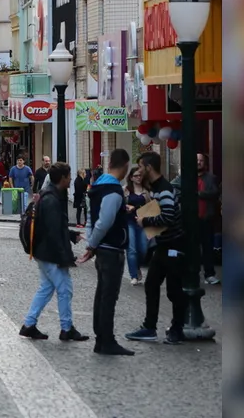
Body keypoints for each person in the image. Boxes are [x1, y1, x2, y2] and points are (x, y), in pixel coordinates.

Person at [19, 162, 89, 342]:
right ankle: (66, 328)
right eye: (69, 175)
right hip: (50, 254)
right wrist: (65, 257)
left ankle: (29, 324)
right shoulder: (52, 199)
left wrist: (72, 235)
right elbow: (53, 232)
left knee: (46, 288)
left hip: (42, 252)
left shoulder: (48, 194)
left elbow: (55, 227)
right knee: (65, 290)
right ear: (63, 178)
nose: (71, 179)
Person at [125, 151, 186, 345]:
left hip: (173, 245)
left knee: (174, 290)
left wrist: (145, 220)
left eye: (141, 167)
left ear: (149, 167)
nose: (139, 170)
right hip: (163, 244)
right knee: (151, 285)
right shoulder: (156, 188)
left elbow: (167, 217)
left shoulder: (165, 189)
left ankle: (177, 329)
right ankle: (149, 327)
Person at [78, 149, 135, 356]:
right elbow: (105, 220)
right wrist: (92, 245)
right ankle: (106, 340)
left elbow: (92, 218)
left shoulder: (98, 185)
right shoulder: (113, 189)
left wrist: (92, 243)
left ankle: (101, 338)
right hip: (111, 248)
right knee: (108, 296)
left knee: (102, 294)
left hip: (103, 248)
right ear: (126, 166)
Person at [196, 153, 221, 285]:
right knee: (191, 248)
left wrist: (198, 194)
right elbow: (176, 189)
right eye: (196, 160)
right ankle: (192, 274)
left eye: (201, 160)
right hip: (191, 219)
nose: (198, 162)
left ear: (205, 163)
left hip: (206, 218)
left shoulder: (211, 178)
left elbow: (215, 193)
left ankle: (209, 274)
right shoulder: (186, 177)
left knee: (208, 248)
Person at [124, 167, 151, 285]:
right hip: (129, 222)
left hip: (143, 222)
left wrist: (135, 208)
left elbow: (151, 208)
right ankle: (134, 275)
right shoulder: (125, 190)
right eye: (136, 176)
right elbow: (120, 205)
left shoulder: (147, 191)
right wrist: (126, 208)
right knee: (131, 249)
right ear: (131, 177)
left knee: (143, 249)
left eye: (140, 175)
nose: (138, 178)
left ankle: (137, 266)